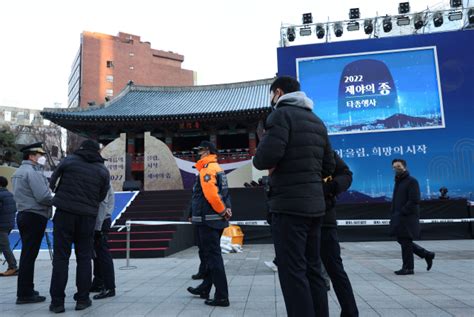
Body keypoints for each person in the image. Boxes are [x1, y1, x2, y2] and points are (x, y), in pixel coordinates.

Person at [253, 76, 335, 317]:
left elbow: (263, 159)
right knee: (313, 269)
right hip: (316, 207)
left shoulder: (280, 115)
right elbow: (329, 166)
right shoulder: (317, 121)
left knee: (292, 272)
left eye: (271, 95)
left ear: (278, 92)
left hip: (289, 206)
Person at [48, 140, 110, 313]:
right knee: (84, 257)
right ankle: (82, 299)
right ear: (97, 152)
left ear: (81, 148)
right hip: (87, 217)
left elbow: (52, 182)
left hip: (64, 213)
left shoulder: (68, 161)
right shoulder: (102, 170)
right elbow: (102, 195)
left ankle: (57, 303)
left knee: (61, 257)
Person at [186, 141, 232, 307]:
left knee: (212, 258)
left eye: (200, 150)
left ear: (207, 151)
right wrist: (226, 210)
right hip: (213, 219)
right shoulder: (217, 168)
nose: (198, 153)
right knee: (210, 256)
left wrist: (221, 210)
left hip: (208, 220)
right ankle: (205, 288)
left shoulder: (207, 169)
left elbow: (212, 195)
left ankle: (221, 296)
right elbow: (225, 192)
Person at [11, 142, 53, 304]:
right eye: (39, 155)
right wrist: (55, 199)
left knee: (27, 254)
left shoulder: (18, 172)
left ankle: (26, 288)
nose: (41, 158)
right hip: (35, 215)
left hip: (23, 214)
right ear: (31, 156)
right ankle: (25, 293)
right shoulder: (33, 173)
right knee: (29, 255)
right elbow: (43, 196)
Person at [320, 152, 359, 317]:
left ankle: (350, 312)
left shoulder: (324, 149)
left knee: (335, 269)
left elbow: (346, 174)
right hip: (299, 218)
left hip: (324, 217)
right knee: (311, 273)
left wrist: (331, 187)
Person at [390, 158, 435, 275]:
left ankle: (408, 268)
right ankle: (426, 254)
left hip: (407, 217)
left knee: (405, 241)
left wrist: (403, 211)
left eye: (398, 166)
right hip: (399, 216)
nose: (396, 169)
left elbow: (414, 200)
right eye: (394, 167)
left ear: (404, 167)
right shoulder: (398, 181)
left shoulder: (411, 181)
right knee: (402, 240)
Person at [90, 183, 116, 300]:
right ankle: (98, 282)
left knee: (103, 253)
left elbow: (103, 204)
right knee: (96, 255)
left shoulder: (103, 181)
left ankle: (109, 286)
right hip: (98, 220)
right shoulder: (101, 178)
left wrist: (98, 226)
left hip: (101, 220)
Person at [0, 176, 18, 276]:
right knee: (2, 245)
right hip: (9, 223)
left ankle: (13, 267)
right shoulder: (11, 195)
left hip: (1, 225)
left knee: (4, 246)